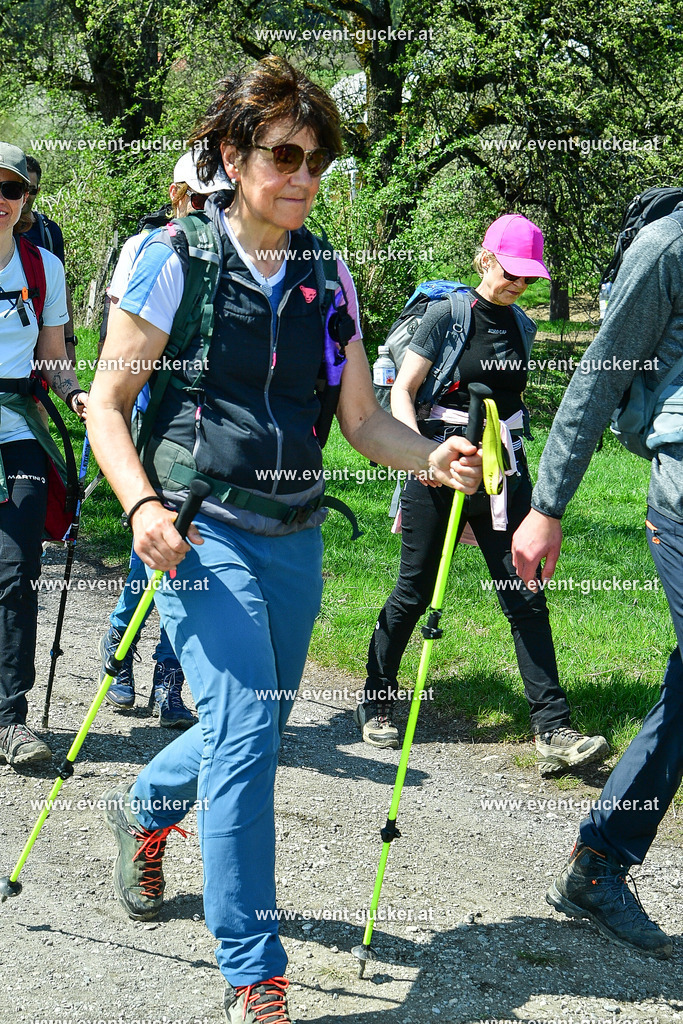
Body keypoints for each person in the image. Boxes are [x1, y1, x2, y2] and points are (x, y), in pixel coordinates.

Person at [87, 58, 481, 1024]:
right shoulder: (170, 254)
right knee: (250, 741)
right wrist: (141, 507)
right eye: (285, 156)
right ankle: (253, 972)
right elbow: (108, 401)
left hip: (294, 531)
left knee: (248, 722)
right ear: (233, 156)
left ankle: (144, 807)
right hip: (198, 522)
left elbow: (360, 423)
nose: (303, 177)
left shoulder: (326, 273)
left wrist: (431, 455)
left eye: (318, 160)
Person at [357, 214, 608, 776]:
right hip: (439, 462)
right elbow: (404, 390)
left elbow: (511, 402)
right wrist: (421, 457)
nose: (519, 285)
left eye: (528, 278)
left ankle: (553, 728)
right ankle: (377, 698)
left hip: (501, 466)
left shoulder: (521, 323)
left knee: (522, 588)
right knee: (415, 588)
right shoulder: (447, 315)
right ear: (486, 259)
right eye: (511, 273)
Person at [511, 205, 683, 961]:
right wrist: (545, 505)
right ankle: (601, 860)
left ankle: (599, 860)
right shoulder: (668, 244)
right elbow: (599, 371)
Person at [99, 149, 231, 728]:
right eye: (200, 200)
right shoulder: (150, 247)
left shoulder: (234, 250)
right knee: (152, 549)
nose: (209, 210)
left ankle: (171, 680)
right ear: (178, 195)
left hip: (215, 424)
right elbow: (121, 340)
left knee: (192, 551)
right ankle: (121, 646)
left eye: (218, 200)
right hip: (160, 403)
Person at [0, 142, 88, 767]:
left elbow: (53, 357)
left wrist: (79, 394)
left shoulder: (43, 269)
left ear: (26, 200)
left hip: (18, 420)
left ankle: (11, 718)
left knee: (17, 568)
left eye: (10, 189)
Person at [20, 155, 78, 366]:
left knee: (41, 398)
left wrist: (68, 342)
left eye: (32, 190)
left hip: (44, 334)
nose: (26, 195)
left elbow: (61, 287)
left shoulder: (49, 232)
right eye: (18, 188)